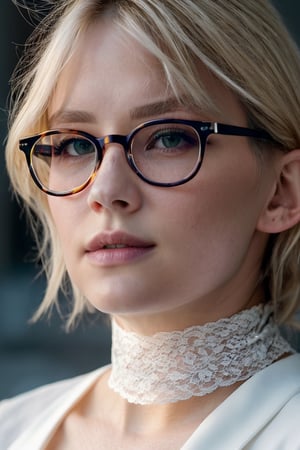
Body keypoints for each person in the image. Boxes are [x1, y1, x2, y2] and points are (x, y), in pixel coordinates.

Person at [1, 0, 300, 448]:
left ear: (282, 190)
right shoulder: (10, 428)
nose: (105, 190)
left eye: (169, 138)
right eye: (74, 146)